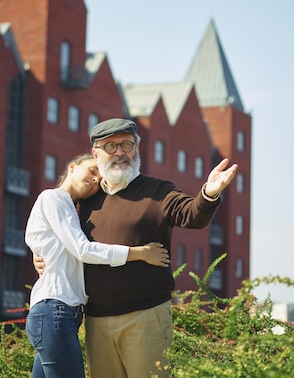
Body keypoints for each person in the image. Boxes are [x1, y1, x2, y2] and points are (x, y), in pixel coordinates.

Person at [35, 118, 238, 378]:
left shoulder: (158, 191)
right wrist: (39, 256)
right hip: (96, 320)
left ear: (137, 149)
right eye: (110, 146)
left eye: (126, 144)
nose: (119, 152)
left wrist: (209, 193)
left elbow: (192, 215)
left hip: (146, 317)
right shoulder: (84, 200)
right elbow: (60, 238)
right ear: (96, 154)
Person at [24, 153, 170, 378]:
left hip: (59, 314)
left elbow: (45, 242)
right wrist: (139, 253)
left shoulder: (74, 211)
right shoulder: (53, 198)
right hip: (53, 311)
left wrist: (40, 252)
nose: (94, 180)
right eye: (92, 171)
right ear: (72, 167)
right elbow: (83, 249)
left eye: (98, 180)